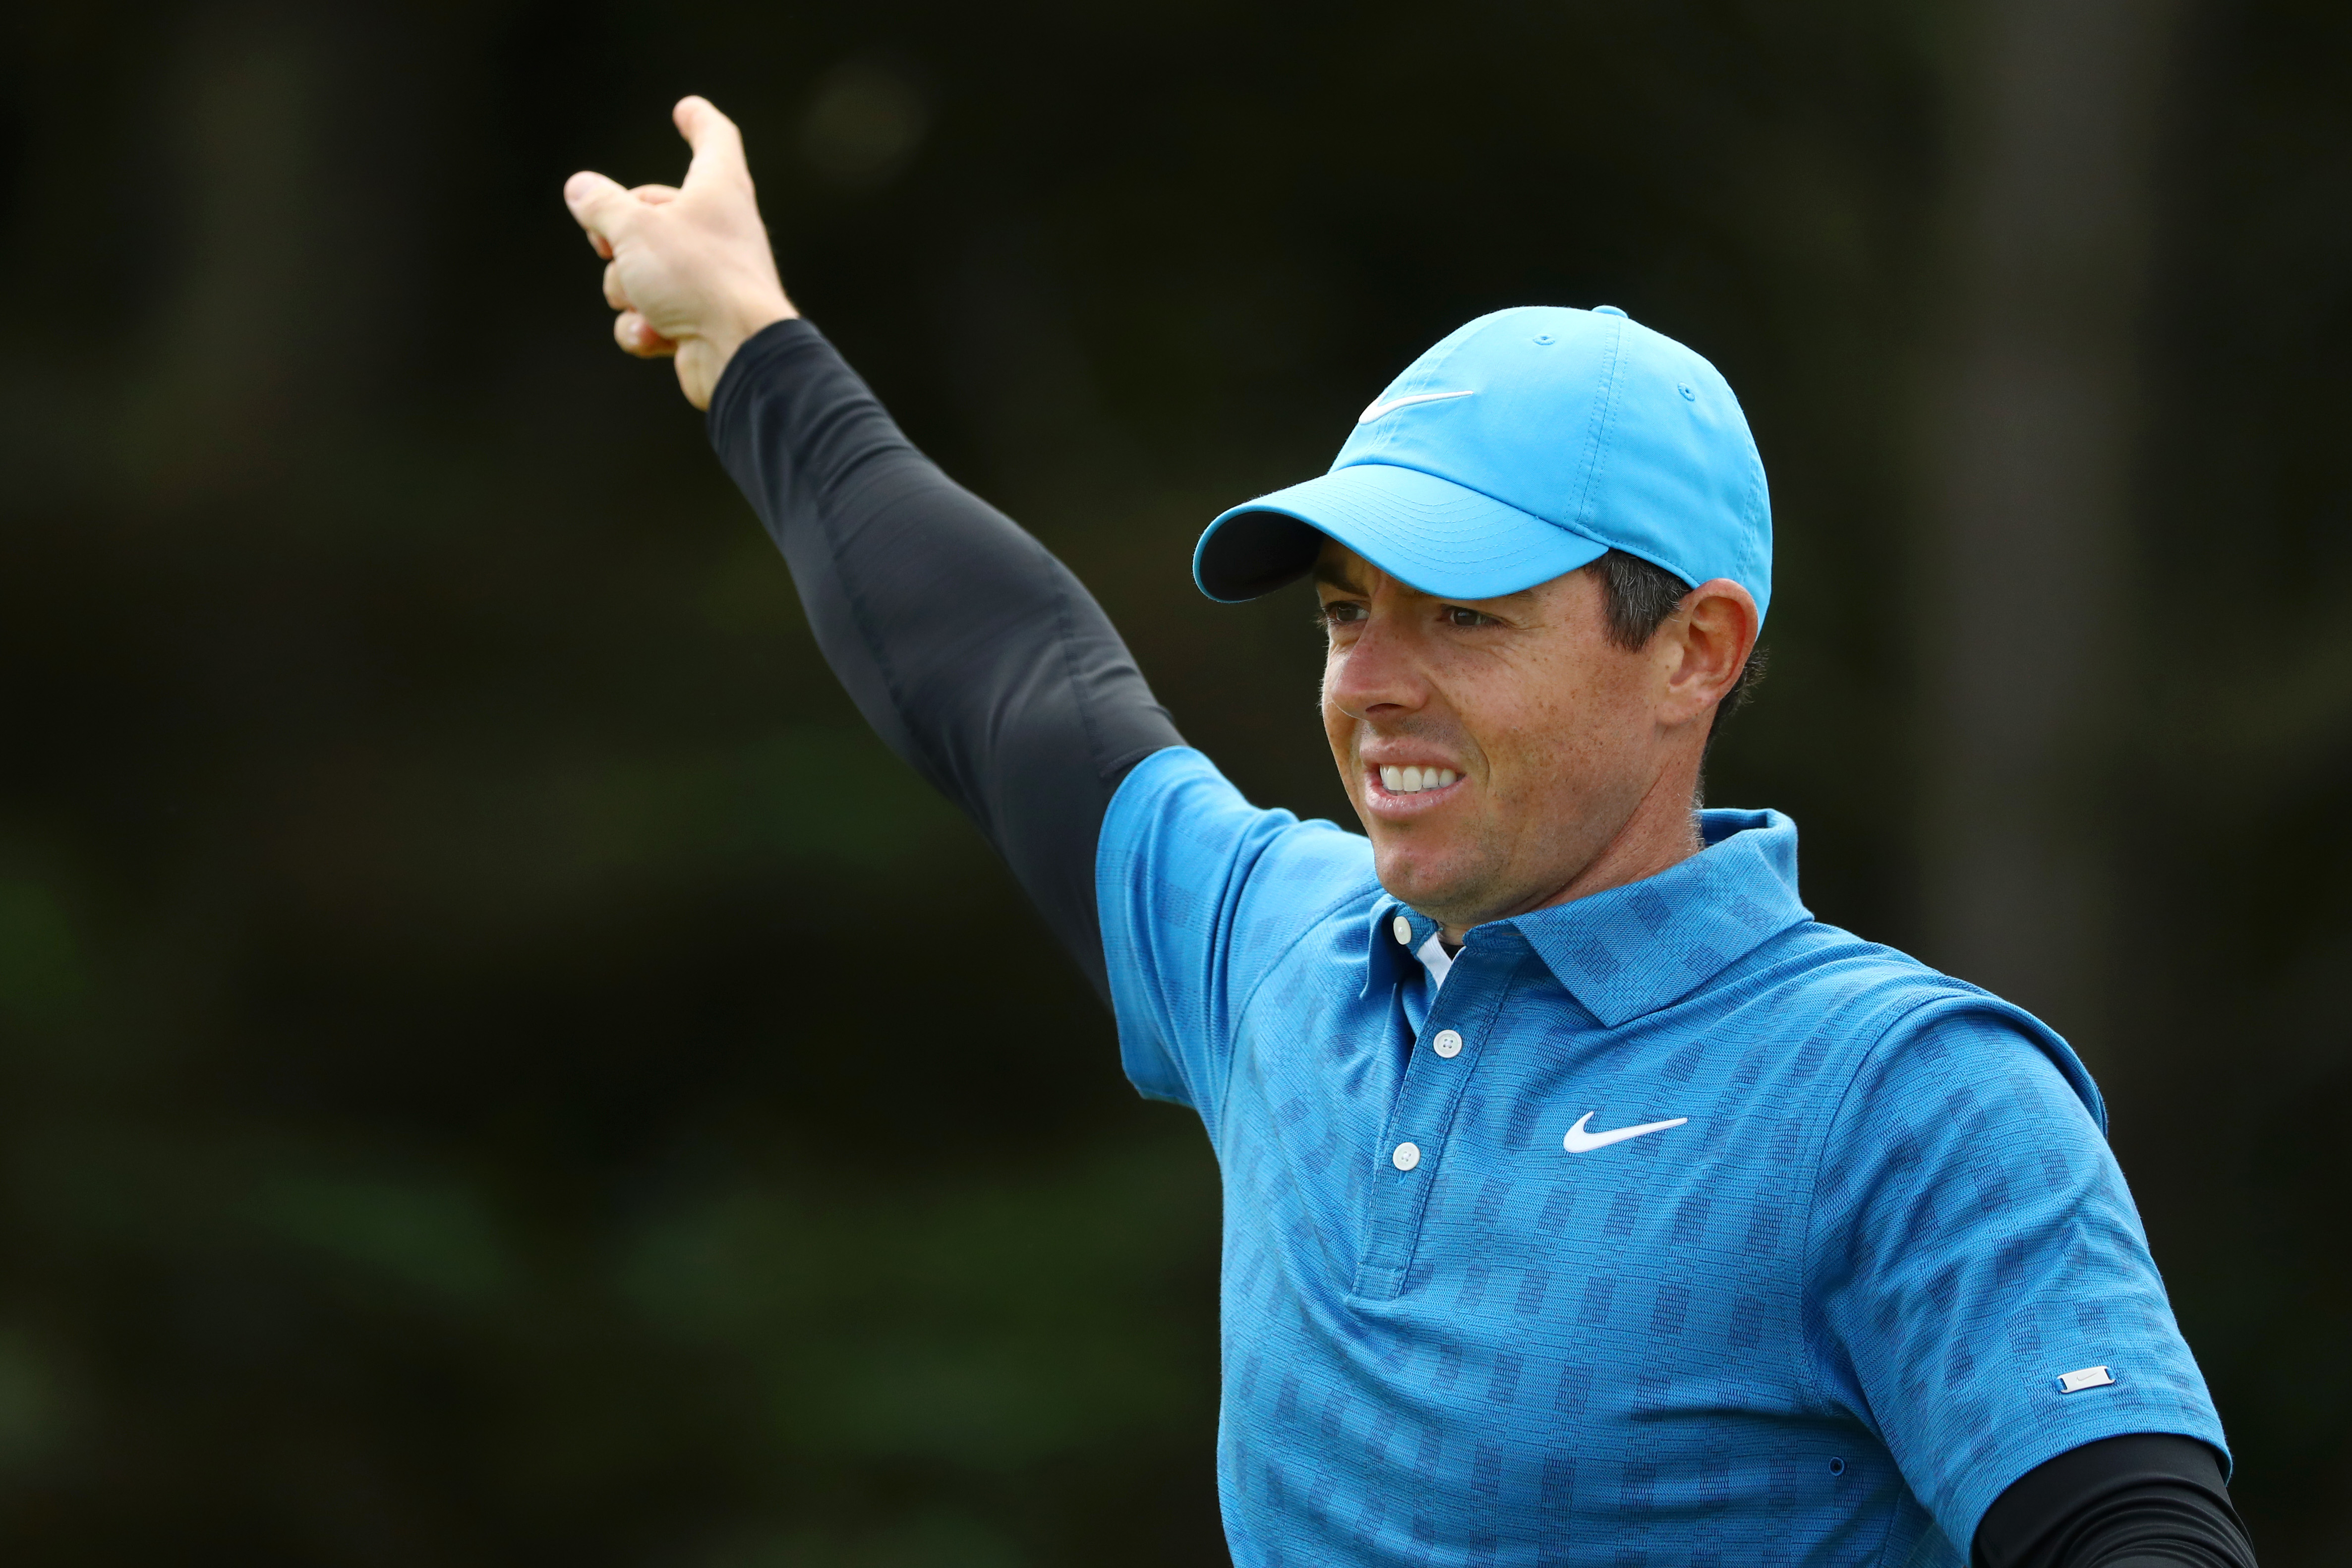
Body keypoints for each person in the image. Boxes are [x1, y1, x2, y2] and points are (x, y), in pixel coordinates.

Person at [563, 96, 2257, 1568]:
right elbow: (1009, 681)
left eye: (1464, 619)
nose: (1370, 683)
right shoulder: (1279, 957)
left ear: (1695, 652)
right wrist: (754, 347)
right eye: (1347, 611)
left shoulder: (1901, 1093)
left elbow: (2136, 1531)